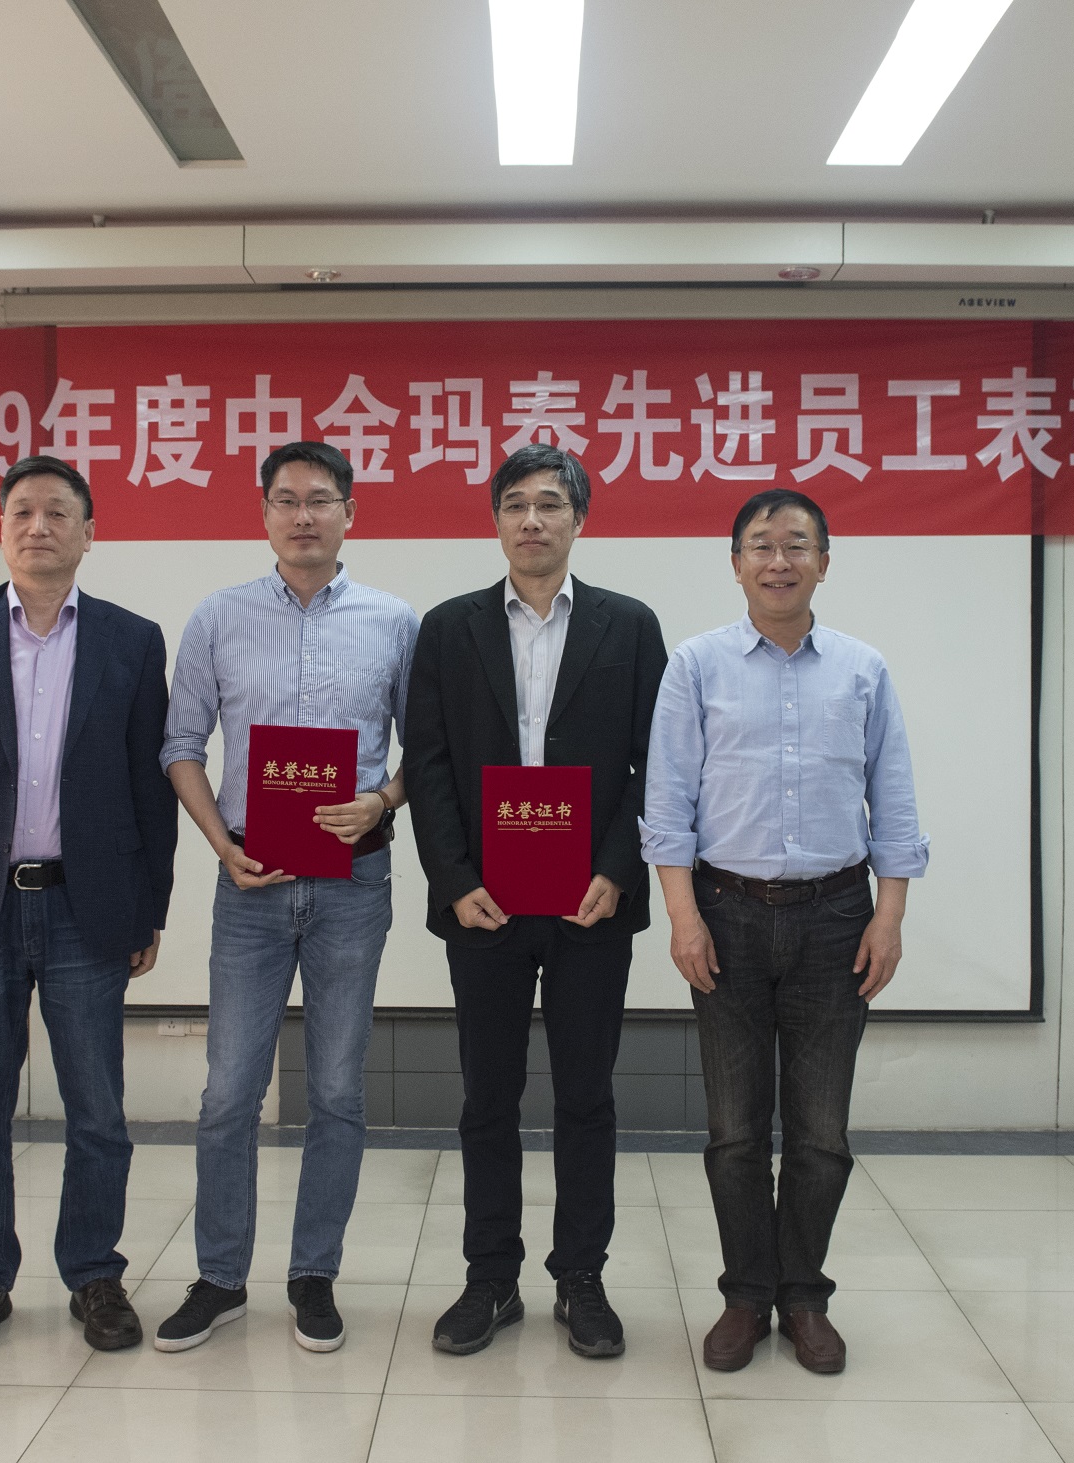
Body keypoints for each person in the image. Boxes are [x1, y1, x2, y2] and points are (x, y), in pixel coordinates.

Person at [0, 454, 178, 1361]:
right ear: (1, 529)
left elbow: (150, 787)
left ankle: (93, 1271)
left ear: (90, 533)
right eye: (21, 511)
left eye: (57, 512)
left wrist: (151, 908)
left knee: (97, 1111)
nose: (38, 525)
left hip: (90, 909)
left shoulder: (132, 640)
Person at [641, 487, 928, 1377]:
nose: (778, 560)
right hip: (724, 913)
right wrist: (682, 916)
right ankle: (744, 1293)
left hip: (836, 917)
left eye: (796, 544)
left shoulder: (862, 668)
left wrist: (889, 914)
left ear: (823, 563)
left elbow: (894, 798)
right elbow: (667, 802)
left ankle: (803, 1296)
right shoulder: (695, 664)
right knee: (733, 1132)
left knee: (819, 1132)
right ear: (735, 564)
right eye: (760, 545)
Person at [402, 442, 667, 1359]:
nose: (531, 519)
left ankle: (580, 1277)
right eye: (514, 503)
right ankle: (490, 1277)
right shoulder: (449, 627)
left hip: (590, 899)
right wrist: (454, 878)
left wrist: (617, 867)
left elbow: (655, 763)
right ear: (495, 520)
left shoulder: (629, 626)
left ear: (578, 519)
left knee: (586, 1095)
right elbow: (428, 763)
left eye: (550, 503)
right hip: (484, 903)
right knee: (488, 1095)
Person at [157, 441, 418, 1354]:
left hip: (354, 883)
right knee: (228, 1090)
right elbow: (180, 745)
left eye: (320, 499)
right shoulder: (218, 617)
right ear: (263, 512)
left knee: (337, 1089)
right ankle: (220, 1276)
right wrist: (221, 846)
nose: (302, 515)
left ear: (350, 512)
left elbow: (428, 751)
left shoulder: (394, 621)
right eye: (285, 499)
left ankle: (314, 1274)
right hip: (251, 883)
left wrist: (381, 800)